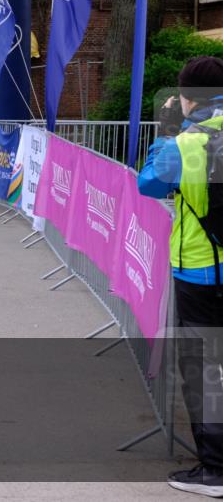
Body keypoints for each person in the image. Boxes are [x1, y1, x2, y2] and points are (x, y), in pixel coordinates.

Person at [138, 55, 223, 498]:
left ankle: (216, 469)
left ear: (187, 97)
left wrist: (169, 130)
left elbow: (148, 184)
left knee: (204, 367)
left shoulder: (185, 144)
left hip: (201, 269)